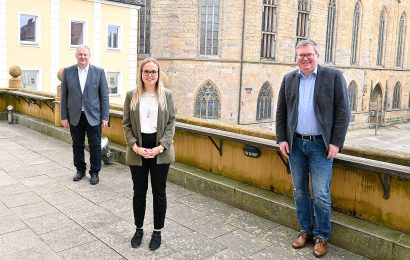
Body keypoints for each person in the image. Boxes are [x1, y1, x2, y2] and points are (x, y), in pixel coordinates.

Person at [276, 39, 350, 258]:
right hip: (296, 144)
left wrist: (336, 142)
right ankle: (305, 231)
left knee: (321, 194)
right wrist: (282, 138)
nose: (305, 58)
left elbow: (343, 113)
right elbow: (281, 111)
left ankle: (322, 236)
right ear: (296, 58)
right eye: (301, 55)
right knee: (299, 191)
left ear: (318, 56)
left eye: (309, 54)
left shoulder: (333, 77)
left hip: (321, 146)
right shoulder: (289, 78)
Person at [122, 57, 176, 251]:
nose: (150, 75)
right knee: (139, 192)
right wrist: (134, 146)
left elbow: (171, 124)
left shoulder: (167, 95)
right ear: (141, 73)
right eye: (147, 71)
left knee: (159, 193)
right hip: (138, 148)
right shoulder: (131, 95)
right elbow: (126, 124)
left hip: (160, 149)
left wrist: (160, 147)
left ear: (158, 74)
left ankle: (157, 232)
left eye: (154, 72)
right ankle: (139, 230)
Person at [61, 45, 109, 185]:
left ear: (89, 56)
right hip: (75, 115)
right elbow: (64, 96)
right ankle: (80, 170)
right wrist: (64, 116)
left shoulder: (99, 72)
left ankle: (94, 172)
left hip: (93, 116)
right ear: (76, 56)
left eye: (85, 55)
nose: (82, 57)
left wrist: (105, 116)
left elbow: (104, 96)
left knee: (95, 145)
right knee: (77, 145)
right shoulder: (68, 72)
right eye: (80, 54)